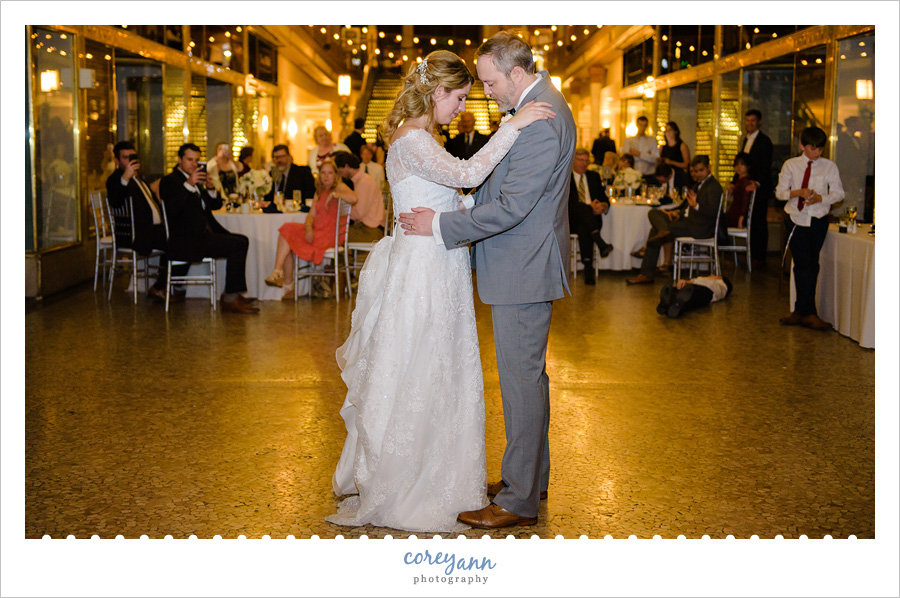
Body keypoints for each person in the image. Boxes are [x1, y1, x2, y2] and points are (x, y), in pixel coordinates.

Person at [326, 48, 557, 533]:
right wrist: (511, 128)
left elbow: (456, 192)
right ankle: (418, 479)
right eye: (459, 97)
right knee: (427, 365)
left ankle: (449, 474)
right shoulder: (413, 141)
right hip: (426, 269)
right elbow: (469, 175)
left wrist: (453, 212)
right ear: (437, 93)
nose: (463, 107)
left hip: (440, 261)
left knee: (444, 365)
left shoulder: (420, 138)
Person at [399, 32, 575, 530]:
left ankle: (519, 499)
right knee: (528, 380)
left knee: (521, 383)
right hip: (526, 263)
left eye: (490, 81)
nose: (487, 91)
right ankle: (529, 476)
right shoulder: (540, 106)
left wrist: (439, 225)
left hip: (522, 266)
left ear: (516, 74)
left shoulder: (540, 120)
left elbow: (514, 207)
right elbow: (503, 185)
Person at [159, 143, 258, 314]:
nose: (194, 164)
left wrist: (211, 188)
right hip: (186, 240)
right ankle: (230, 298)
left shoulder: (195, 180)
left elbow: (214, 205)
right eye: (189, 160)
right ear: (179, 159)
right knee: (239, 245)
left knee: (242, 240)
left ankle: (232, 294)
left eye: (197, 160)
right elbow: (173, 209)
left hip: (202, 235)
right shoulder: (170, 181)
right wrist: (189, 185)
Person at [776, 126, 844, 331]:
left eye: (820, 149)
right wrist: (799, 192)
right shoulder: (791, 165)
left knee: (810, 264)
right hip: (796, 218)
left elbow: (839, 193)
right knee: (803, 263)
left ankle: (803, 311)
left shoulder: (829, 166)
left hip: (817, 219)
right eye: (813, 149)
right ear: (802, 146)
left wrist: (821, 197)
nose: (817, 153)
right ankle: (806, 312)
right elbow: (780, 193)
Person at [105, 141, 185, 303]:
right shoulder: (116, 179)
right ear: (117, 161)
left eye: (132, 157)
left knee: (185, 235)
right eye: (125, 158)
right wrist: (124, 178)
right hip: (138, 233)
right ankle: (163, 286)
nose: (129, 161)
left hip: (153, 229)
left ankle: (170, 284)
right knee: (178, 238)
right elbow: (115, 200)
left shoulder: (139, 180)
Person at [264, 160, 356, 299]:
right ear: (319, 175)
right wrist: (308, 228)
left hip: (330, 235)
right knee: (286, 230)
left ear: (335, 175)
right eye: (323, 173)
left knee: (288, 237)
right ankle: (279, 274)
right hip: (317, 230)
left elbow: (354, 198)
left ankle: (285, 281)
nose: (326, 176)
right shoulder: (319, 191)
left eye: (330, 173)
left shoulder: (339, 187)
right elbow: (311, 215)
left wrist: (335, 195)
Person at [626, 155, 723, 285]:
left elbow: (714, 212)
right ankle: (664, 230)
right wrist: (675, 212)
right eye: (696, 171)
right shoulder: (699, 185)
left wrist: (696, 206)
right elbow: (685, 206)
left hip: (699, 227)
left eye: (701, 170)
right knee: (654, 213)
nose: (698, 174)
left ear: (709, 168)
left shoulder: (713, 186)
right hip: (687, 221)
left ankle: (646, 273)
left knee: (655, 231)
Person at [735, 109, 774, 267]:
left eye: (753, 121)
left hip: (760, 187)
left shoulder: (765, 141)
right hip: (747, 185)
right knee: (749, 220)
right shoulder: (746, 139)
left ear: (759, 122)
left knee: (759, 221)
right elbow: (742, 163)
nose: (749, 124)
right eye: (747, 121)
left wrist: (757, 182)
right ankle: (751, 252)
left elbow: (766, 165)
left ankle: (759, 255)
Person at [569, 147, 612, 285]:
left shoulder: (593, 176)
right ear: (573, 160)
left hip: (591, 220)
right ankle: (599, 244)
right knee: (582, 210)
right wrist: (589, 207)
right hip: (572, 219)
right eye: (580, 160)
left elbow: (605, 199)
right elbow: (569, 204)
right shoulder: (566, 178)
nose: (584, 164)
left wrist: (603, 206)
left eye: (586, 161)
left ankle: (588, 268)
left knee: (584, 226)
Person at [333, 152, 385, 243]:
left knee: (334, 237)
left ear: (346, 166)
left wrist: (338, 213)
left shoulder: (363, 182)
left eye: (340, 172)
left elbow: (359, 213)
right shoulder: (363, 179)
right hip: (369, 227)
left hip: (370, 230)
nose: (340, 175)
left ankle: (345, 257)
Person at [656, 275, 733, 319]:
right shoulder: (720, 288)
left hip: (707, 290)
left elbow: (721, 289)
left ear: (719, 277)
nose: (711, 275)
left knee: (690, 294)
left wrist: (686, 282)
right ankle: (671, 303)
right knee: (690, 300)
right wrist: (685, 282)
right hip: (701, 291)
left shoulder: (720, 284)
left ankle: (666, 303)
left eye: (713, 275)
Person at [622, 115, 659, 180]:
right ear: (637, 125)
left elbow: (655, 159)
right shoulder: (629, 141)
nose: (642, 128)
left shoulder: (652, 141)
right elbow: (626, 159)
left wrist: (639, 154)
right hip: (632, 175)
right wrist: (647, 155)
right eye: (640, 125)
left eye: (644, 125)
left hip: (648, 175)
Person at [658, 121, 690, 190]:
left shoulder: (682, 146)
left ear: (675, 132)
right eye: (666, 131)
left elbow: (687, 164)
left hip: (678, 176)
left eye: (670, 130)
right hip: (665, 176)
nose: (668, 133)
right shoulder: (662, 147)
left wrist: (671, 162)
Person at [726, 152, 754, 228]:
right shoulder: (738, 180)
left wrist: (741, 218)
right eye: (737, 164)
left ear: (748, 166)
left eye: (742, 164)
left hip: (737, 214)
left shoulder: (746, 182)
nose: (739, 167)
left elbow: (745, 201)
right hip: (734, 212)